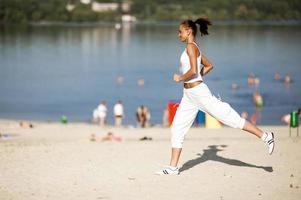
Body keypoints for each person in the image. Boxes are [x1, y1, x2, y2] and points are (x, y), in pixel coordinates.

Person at [156, 18, 275, 175]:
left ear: (189, 31)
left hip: (199, 94)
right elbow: (208, 65)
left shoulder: (191, 47)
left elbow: (193, 70)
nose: (178, 34)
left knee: (230, 118)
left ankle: (266, 136)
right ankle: (173, 168)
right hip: (189, 96)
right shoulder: (192, 48)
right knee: (177, 129)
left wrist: (180, 78)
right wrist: (197, 77)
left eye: (180, 31)